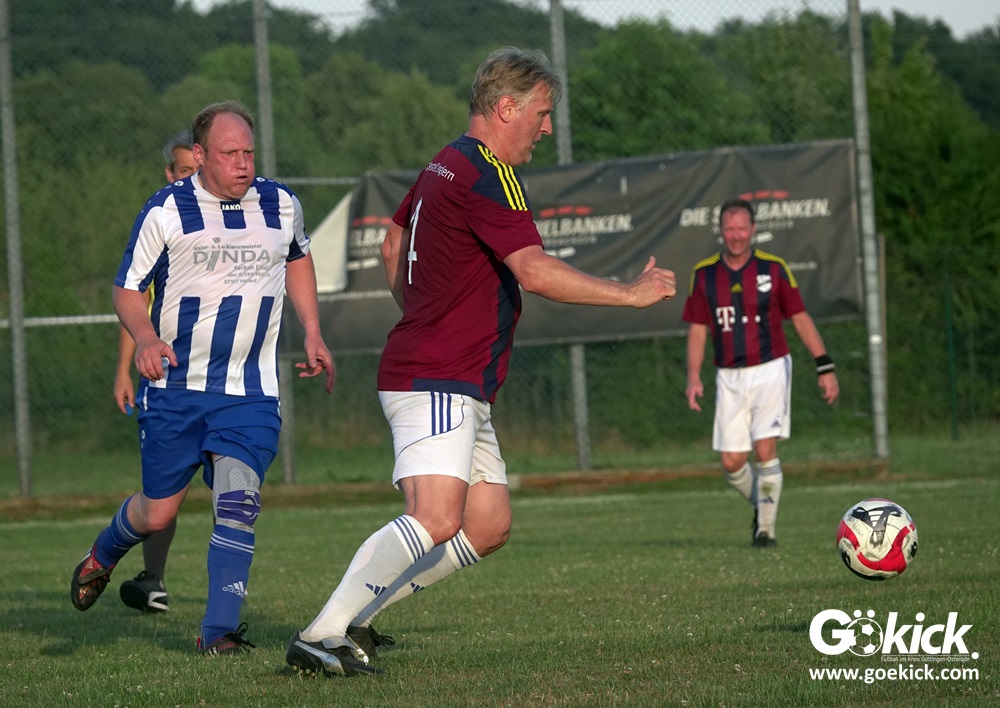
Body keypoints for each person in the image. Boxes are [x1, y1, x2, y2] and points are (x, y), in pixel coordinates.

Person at [284, 46, 677, 678]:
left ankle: (357, 618)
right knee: (436, 517)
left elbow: (392, 244)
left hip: (452, 375)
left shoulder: (445, 162)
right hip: (438, 375)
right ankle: (319, 634)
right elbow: (534, 271)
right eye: (542, 113)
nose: (546, 128)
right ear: (506, 108)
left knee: (487, 525)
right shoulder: (490, 172)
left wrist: (425, 312)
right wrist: (628, 294)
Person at [71, 100, 336, 656]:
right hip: (176, 390)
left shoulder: (281, 204)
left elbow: (297, 257)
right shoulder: (165, 210)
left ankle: (218, 632)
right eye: (229, 153)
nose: (243, 163)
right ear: (199, 154)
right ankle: (103, 553)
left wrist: (312, 330)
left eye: (249, 152)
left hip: (249, 393)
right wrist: (146, 339)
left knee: (238, 501)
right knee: (158, 512)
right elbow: (126, 289)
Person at [682, 198, 839, 548]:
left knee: (765, 448)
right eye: (729, 229)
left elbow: (800, 317)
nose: (736, 235)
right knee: (732, 462)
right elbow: (697, 330)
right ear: (720, 231)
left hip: (771, 369)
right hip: (728, 375)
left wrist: (824, 365)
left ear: (753, 230)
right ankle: (765, 504)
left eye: (742, 228)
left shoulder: (774, 268)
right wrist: (693, 377)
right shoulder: (705, 274)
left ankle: (765, 532)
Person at [112, 129, 199, 615]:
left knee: (233, 489)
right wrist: (124, 371)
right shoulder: (161, 222)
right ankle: (153, 578)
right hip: (168, 380)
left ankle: (226, 589)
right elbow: (135, 305)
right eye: (184, 171)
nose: (193, 178)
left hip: (224, 382)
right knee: (165, 493)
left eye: (198, 170)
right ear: (170, 173)